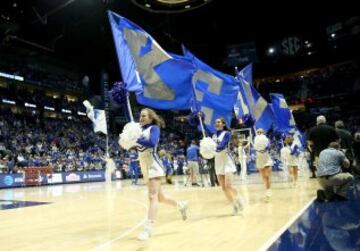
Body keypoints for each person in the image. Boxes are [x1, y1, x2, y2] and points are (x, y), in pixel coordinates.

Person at [135, 108, 188, 241]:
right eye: (140, 116)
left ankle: (148, 230)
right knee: (161, 198)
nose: (141, 118)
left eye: (144, 116)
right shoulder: (138, 130)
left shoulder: (154, 128)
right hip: (144, 166)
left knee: (152, 197)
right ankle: (181, 205)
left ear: (151, 118)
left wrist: (136, 139)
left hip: (153, 165)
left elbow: (152, 143)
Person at [212, 118, 243, 215]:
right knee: (224, 188)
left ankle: (239, 199)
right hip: (218, 161)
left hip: (227, 161)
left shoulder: (227, 133)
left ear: (223, 124)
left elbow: (222, 145)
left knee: (228, 186)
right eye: (216, 122)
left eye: (219, 122)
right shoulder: (212, 136)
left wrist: (212, 147)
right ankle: (234, 206)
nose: (217, 123)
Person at [254, 128, 273, 201]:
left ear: (263, 133)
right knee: (264, 177)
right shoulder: (255, 139)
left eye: (260, 132)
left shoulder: (266, 139)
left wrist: (266, 147)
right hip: (259, 159)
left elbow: (268, 147)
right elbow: (255, 148)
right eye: (258, 132)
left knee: (267, 176)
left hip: (267, 159)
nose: (259, 133)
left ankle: (268, 191)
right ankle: (267, 189)